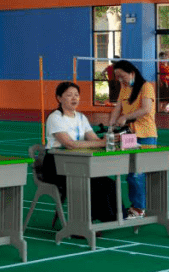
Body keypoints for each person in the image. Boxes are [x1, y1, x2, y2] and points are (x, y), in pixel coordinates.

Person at [43, 82, 117, 223]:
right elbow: (69, 144)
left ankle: (112, 218)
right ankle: (82, 225)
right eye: (69, 95)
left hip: (79, 162)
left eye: (76, 95)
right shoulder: (55, 117)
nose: (74, 98)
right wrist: (100, 142)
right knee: (87, 184)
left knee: (107, 183)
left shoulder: (81, 118)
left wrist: (109, 140)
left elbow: (94, 140)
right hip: (56, 164)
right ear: (59, 98)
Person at [108, 60, 156, 219]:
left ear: (132, 73)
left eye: (122, 76)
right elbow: (117, 108)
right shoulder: (124, 89)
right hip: (129, 134)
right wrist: (111, 125)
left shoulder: (146, 87)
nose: (121, 80)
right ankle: (136, 206)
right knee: (130, 172)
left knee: (138, 173)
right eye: (118, 78)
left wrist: (125, 117)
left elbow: (146, 109)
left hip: (146, 135)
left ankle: (139, 208)